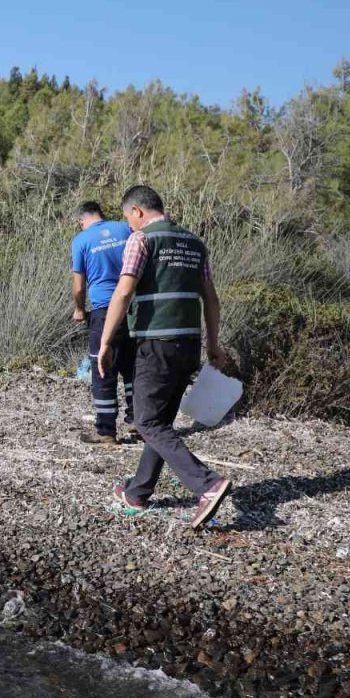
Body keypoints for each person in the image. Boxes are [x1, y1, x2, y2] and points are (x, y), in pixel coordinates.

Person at [98, 185, 235, 530]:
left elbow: (124, 291)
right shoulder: (194, 243)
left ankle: (207, 484)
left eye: (129, 218)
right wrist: (213, 344)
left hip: (155, 343)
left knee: (148, 422)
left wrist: (105, 341)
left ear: (138, 212)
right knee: (160, 422)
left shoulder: (142, 240)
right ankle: (138, 492)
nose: (129, 226)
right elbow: (212, 300)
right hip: (188, 343)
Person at [70, 200, 135, 446]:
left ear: (81, 220)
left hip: (103, 308)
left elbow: (79, 284)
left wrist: (78, 309)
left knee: (102, 367)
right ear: (102, 213)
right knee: (133, 366)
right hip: (132, 306)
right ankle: (137, 421)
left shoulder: (81, 240)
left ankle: (106, 430)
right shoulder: (125, 229)